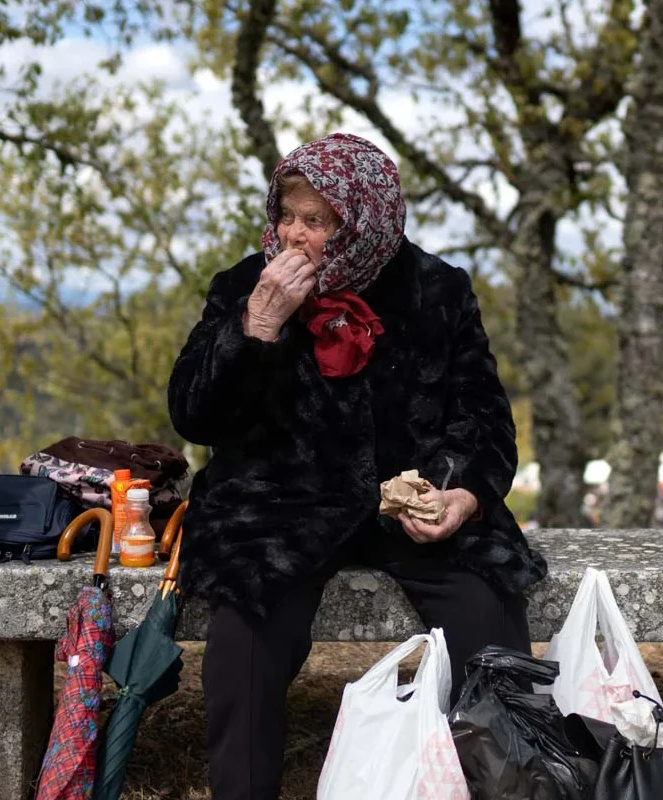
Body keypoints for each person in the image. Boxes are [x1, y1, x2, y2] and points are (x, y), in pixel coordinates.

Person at [166, 133, 545, 800]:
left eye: (316, 221)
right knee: (246, 630)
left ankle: (506, 782)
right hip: (278, 505)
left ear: (363, 218)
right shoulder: (243, 287)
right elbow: (196, 417)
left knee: (488, 610)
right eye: (286, 216)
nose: (293, 236)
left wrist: (461, 493)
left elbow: (483, 420)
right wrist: (256, 327)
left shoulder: (436, 290)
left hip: (410, 500)